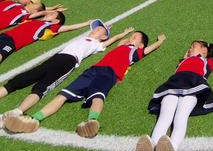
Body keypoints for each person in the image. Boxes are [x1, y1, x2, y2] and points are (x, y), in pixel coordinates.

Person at [5, 31, 166, 138]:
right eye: (133, 34)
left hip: (109, 73)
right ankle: (34, 119)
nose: (133, 36)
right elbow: (120, 43)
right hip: (92, 70)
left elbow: (147, 50)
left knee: (98, 94)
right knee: (63, 94)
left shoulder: (135, 52)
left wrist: (159, 41)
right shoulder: (123, 46)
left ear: (141, 44)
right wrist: (126, 36)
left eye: (136, 36)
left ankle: (92, 121)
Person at [0, 21, 133, 122]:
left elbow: (114, 39)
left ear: (103, 37)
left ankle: (17, 112)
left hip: (69, 62)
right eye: (96, 28)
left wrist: (123, 33)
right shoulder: (83, 38)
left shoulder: (98, 45)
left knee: (41, 87)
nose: (95, 29)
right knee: (21, 79)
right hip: (57, 57)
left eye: (99, 30)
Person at [136, 40, 213, 151]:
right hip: (172, 86)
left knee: (181, 116)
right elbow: (185, 56)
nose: (189, 48)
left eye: (193, 46)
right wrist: (189, 52)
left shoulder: (207, 62)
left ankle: (172, 148)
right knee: (165, 116)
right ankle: (152, 145)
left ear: (204, 50)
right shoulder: (183, 62)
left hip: (193, 86)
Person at [0, 12, 90, 63]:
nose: (48, 14)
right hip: (4, 35)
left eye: (52, 14)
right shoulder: (36, 21)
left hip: (13, 42)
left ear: (56, 21)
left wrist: (86, 23)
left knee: (1, 54)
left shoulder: (51, 27)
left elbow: (69, 28)